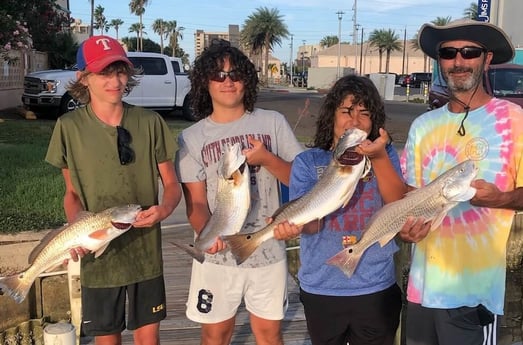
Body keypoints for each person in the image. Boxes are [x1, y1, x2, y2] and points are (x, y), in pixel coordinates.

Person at [45, 35, 182, 345]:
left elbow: (171, 184)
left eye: (120, 71)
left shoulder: (150, 122)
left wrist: (164, 209)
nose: (115, 80)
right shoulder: (68, 127)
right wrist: (76, 230)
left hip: (145, 253)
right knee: (108, 340)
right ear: (84, 78)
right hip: (99, 259)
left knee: (149, 340)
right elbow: (72, 194)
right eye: (104, 73)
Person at [399, 20, 523, 345]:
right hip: (421, 289)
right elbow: (410, 196)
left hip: (474, 295)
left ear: (487, 58)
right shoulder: (422, 126)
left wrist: (501, 199)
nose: (458, 61)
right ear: (439, 61)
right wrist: (406, 227)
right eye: (448, 53)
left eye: (469, 52)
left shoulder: (514, 120)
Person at [174, 39, 303, 345]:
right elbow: (196, 203)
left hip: (268, 251)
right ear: (205, 82)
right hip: (218, 261)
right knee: (215, 334)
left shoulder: (273, 123)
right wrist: (207, 235)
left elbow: (300, 180)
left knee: (269, 335)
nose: (227, 82)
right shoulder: (191, 138)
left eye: (235, 75)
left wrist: (268, 160)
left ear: (248, 79)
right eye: (218, 75)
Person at [274, 75, 406, 345]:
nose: (355, 121)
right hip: (322, 286)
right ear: (332, 115)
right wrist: (293, 227)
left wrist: (378, 156)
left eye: (364, 113)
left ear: (374, 121)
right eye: (346, 111)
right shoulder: (308, 161)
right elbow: (312, 225)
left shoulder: (385, 154)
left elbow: (397, 203)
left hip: (375, 286)